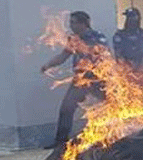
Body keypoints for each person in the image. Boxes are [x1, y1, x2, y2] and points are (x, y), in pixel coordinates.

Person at [40, 11, 108, 149]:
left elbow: (101, 54)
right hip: (80, 80)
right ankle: (61, 142)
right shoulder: (73, 39)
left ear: (83, 23)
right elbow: (63, 56)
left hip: (97, 78)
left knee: (111, 105)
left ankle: (114, 135)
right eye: (70, 22)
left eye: (73, 22)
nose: (71, 25)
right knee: (66, 108)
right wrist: (48, 65)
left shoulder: (97, 36)